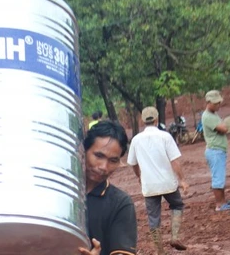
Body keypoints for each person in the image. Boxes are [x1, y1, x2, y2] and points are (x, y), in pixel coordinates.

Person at [127, 106, 189, 255]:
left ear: (142, 121)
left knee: (153, 217)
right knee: (177, 205)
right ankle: (174, 237)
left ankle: (160, 251)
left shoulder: (136, 140)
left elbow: (133, 164)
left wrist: (139, 176)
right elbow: (175, 161)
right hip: (168, 182)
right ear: (156, 119)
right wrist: (182, 180)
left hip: (149, 185)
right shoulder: (165, 137)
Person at [78, 121, 138, 255]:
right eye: (99, 156)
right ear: (84, 150)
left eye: (113, 160)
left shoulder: (120, 203)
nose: (104, 167)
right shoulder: (61, 192)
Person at [202, 90, 230, 211]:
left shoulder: (213, 114)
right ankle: (219, 204)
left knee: (220, 177)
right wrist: (224, 125)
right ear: (208, 102)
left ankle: (223, 201)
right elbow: (224, 128)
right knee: (218, 178)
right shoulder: (208, 116)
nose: (218, 105)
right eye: (216, 103)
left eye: (219, 103)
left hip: (217, 150)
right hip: (215, 151)